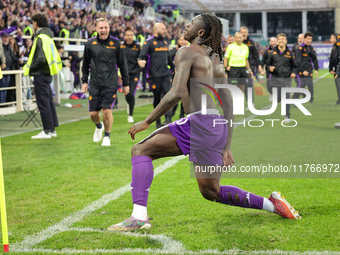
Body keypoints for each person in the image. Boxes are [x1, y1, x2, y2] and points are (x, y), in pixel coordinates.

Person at [108, 14, 301, 231]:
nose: (186, 25)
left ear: (201, 33)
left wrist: (147, 120)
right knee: (211, 191)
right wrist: (227, 146)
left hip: (198, 123)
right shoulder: (216, 59)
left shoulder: (186, 51)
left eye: (191, 24)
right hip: (215, 126)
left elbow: (176, 92)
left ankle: (139, 217)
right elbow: (229, 106)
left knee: (140, 150)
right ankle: (272, 205)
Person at [81, 18, 130, 147]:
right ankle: (99, 126)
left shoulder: (116, 43)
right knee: (93, 114)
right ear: (96, 29)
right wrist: (84, 81)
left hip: (111, 83)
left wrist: (126, 83)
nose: (103, 30)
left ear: (109, 28)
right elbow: (85, 64)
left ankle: (107, 136)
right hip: (95, 83)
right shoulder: (90, 44)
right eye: (101, 28)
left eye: (105, 27)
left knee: (107, 111)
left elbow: (122, 64)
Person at [23, 14, 62, 139]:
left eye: (33, 22)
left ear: (36, 23)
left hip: (40, 73)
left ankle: (47, 130)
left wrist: (30, 68)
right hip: (47, 73)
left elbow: (40, 58)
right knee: (49, 102)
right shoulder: (48, 37)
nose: (32, 25)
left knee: (43, 103)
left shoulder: (40, 37)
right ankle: (52, 129)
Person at [137, 22, 175, 128]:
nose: (165, 30)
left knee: (168, 97)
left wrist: (174, 68)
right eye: (162, 29)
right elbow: (141, 56)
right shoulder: (148, 43)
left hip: (165, 74)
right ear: (155, 30)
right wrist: (141, 61)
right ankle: (157, 121)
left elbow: (168, 59)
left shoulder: (164, 42)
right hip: (154, 76)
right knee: (157, 99)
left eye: (165, 28)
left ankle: (168, 118)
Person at [267, 33, 296, 123]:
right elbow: (267, 64)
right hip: (275, 79)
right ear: (277, 41)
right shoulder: (272, 53)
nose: (281, 40)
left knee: (286, 97)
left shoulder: (290, 53)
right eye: (280, 39)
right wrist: (269, 68)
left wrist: (294, 72)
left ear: (286, 41)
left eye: (283, 39)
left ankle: (287, 116)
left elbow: (294, 66)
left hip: (286, 79)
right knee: (278, 98)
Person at [122, 27, 141, 123]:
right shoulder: (121, 47)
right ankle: (129, 103)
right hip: (124, 74)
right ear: (124, 37)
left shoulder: (137, 47)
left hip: (134, 74)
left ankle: (130, 115)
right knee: (126, 94)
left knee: (131, 93)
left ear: (133, 36)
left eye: (131, 35)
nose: (129, 37)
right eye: (127, 35)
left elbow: (141, 58)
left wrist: (140, 67)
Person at [292, 32, 318, 103]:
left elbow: (314, 59)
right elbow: (298, 61)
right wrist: (303, 70)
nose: (309, 40)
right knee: (301, 84)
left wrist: (316, 69)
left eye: (310, 39)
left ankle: (311, 98)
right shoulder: (299, 48)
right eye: (308, 39)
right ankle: (294, 99)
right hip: (300, 69)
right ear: (304, 39)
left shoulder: (311, 48)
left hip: (309, 69)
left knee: (310, 84)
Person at [169, 34, 189, 119]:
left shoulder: (191, 51)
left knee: (185, 96)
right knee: (175, 96)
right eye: (181, 40)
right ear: (178, 41)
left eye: (185, 40)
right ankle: (171, 114)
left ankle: (181, 115)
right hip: (176, 77)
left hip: (187, 77)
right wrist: (173, 68)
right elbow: (168, 60)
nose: (183, 41)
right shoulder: (174, 51)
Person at [261, 37, 277, 101]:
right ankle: (271, 93)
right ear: (270, 42)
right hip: (269, 70)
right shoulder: (267, 51)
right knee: (269, 85)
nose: (274, 43)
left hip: (278, 70)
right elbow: (263, 61)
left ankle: (277, 95)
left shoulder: (280, 50)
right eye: (273, 41)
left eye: (275, 41)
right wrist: (262, 69)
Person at [328, 33, 340, 105]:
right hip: (336, 70)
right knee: (338, 86)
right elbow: (332, 59)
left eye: (331, 38)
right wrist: (330, 69)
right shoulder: (334, 48)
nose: (330, 40)